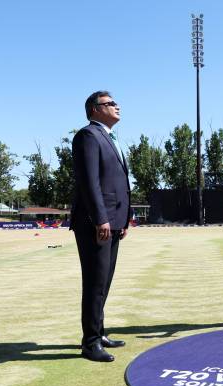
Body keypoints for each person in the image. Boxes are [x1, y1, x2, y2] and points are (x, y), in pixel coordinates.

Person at [71, 91, 131, 362]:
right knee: (95, 282)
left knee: (104, 281)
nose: (117, 106)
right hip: (96, 222)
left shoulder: (110, 138)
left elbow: (119, 182)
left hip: (114, 221)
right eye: (110, 103)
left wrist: (125, 217)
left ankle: (100, 331)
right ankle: (90, 342)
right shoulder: (88, 136)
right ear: (95, 110)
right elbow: (89, 182)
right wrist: (101, 218)